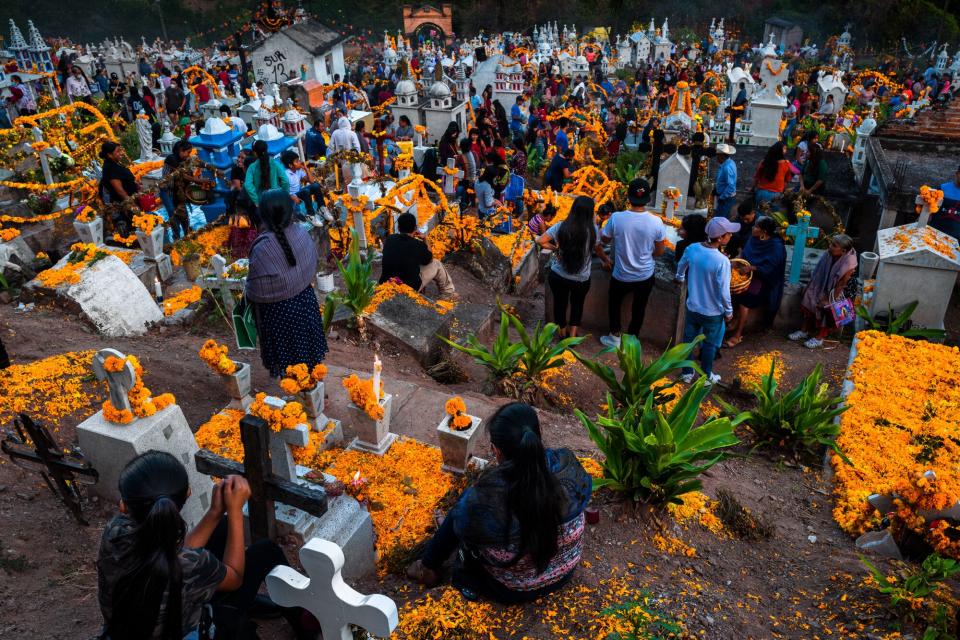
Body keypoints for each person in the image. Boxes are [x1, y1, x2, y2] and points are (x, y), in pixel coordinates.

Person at [96, 451, 316, 639]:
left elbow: (183, 554)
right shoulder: (190, 565)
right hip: (181, 631)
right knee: (267, 552)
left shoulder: (114, 531)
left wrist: (215, 512)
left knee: (221, 528)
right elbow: (235, 578)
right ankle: (306, 626)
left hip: (131, 624)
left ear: (124, 506)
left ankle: (245, 604)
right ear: (188, 493)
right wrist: (236, 511)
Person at [406, 402, 591, 603]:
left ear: (496, 450)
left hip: (513, 589)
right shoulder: (566, 463)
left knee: (462, 512)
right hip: (564, 572)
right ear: (539, 434)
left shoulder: (486, 498)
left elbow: (470, 523)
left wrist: (462, 519)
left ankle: (428, 567)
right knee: (468, 510)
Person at [246, 189, 327, 377]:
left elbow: (255, 291)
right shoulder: (300, 232)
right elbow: (311, 264)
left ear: (264, 215)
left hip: (280, 314)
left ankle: (301, 396)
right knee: (308, 353)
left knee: (290, 362)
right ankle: (313, 392)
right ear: (290, 210)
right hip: (306, 303)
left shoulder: (263, 247)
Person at [599, 178, 665, 349]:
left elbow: (604, 240)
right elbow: (659, 252)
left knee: (614, 303)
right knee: (639, 308)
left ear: (628, 197)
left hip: (621, 274)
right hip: (644, 275)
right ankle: (632, 340)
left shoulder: (617, 218)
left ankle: (614, 336)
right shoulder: (656, 222)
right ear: (648, 199)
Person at [676, 217, 739, 384]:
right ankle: (705, 376)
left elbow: (681, 266)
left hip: (693, 306)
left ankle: (687, 374)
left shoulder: (692, 248)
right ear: (719, 238)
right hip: (713, 312)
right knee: (710, 344)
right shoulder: (722, 261)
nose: (730, 236)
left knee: (689, 340)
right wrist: (729, 312)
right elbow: (724, 291)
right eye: (728, 234)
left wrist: (680, 277)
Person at [537, 196, 604, 338]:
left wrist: (555, 248)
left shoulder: (561, 226)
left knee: (559, 305)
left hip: (559, 276)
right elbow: (598, 249)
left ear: (573, 209)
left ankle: (562, 335)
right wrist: (606, 260)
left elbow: (540, 240)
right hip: (581, 279)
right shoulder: (593, 231)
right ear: (590, 212)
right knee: (577, 306)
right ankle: (572, 337)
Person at [725, 217, 786, 347]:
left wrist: (752, 268)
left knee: (745, 299)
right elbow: (744, 255)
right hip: (747, 274)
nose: (753, 228)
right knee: (732, 289)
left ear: (763, 231)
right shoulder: (753, 238)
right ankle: (735, 320)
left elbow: (771, 268)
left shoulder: (776, 246)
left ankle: (738, 334)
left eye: (756, 227)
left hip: (764, 279)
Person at [789, 234, 857, 349]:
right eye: (831, 244)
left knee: (827, 308)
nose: (830, 247)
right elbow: (818, 272)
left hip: (838, 290)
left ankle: (820, 337)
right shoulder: (828, 254)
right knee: (808, 299)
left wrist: (828, 300)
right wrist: (809, 286)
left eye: (834, 245)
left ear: (843, 251)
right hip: (821, 283)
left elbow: (841, 284)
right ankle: (804, 330)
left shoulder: (849, 263)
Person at [380, 212, 456, 298]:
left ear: (398, 228)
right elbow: (430, 259)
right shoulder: (418, 245)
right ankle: (448, 294)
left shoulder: (390, 239)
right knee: (436, 264)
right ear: (415, 228)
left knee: (410, 262)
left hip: (386, 283)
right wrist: (425, 239)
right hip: (406, 288)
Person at [98, 141, 140, 234]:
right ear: (109, 154)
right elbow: (119, 190)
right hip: (119, 203)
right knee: (126, 224)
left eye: (120, 150)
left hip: (127, 198)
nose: (121, 153)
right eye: (117, 151)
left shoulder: (115, 162)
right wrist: (132, 204)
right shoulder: (110, 168)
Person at [244, 140, 290, 207]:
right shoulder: (275, 164)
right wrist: (285, 195)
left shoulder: (252, 167)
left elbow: (248, 185)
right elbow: (285, 180)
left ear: (255, 153)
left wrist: (256, 200)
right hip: (277, 198)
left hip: (262, 202)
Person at [281, 149, 325, 218]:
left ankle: (321, 208)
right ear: (290, 165)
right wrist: (293, 198)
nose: (300, 162)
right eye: (297, 161)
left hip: (300, 193)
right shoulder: (286, 175)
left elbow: (312, 182)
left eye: (298, 160)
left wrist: (306, 169)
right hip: (292, 197)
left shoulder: (298, 170)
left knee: (316, 186)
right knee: (306, 191)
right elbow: (284, 191)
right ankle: (310, 214)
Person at [931, 164, 960, 240]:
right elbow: (930, 209)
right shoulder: (942, 188)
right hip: (935, 233)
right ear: (957, 174)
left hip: (956, 241)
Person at [714, 143, 738, 220]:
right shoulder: (729, 163)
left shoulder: (727, 167)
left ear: (721, 156)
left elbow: (731, 186)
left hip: (726, 198)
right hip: (724, 197)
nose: (716, 157)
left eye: (717, 155)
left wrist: (722, 197)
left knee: (720, 219)